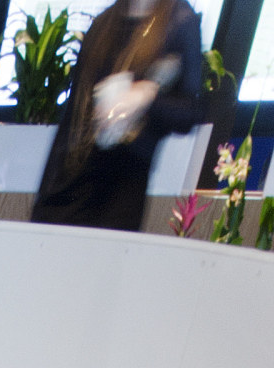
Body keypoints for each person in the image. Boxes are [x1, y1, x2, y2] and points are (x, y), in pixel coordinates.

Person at [31, 0, 205, 234]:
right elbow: (72, 120)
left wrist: (146, 96)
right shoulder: (104, 24)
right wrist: (46, 197)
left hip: (121, 194)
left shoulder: (179, 21)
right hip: (68, 188)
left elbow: (190, 112)